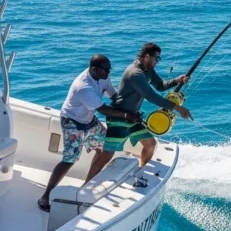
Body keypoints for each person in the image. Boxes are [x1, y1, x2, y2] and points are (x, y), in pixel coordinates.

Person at [36, 54, 142, 212]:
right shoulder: (84, 86)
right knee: (69, 160)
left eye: (109, 69)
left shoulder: (103, 76)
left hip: (88, 120)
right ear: (94, 69)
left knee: (104, 146)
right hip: (73, 122)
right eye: (105, 70)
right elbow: (103, 109)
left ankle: (87, 187)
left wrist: (127, 105)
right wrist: (127, 116)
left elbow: (112, 94)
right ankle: (45, 196)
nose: (108, 72)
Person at [102, 43, 193, 184]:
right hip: (119, 118)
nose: (157, 61)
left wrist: (177, 80)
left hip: (132, 118)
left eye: (159, 59)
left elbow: (161, 86)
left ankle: (139, 174)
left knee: (150, 144)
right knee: (106, 155)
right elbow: (151, 95)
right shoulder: (135, 73)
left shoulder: (147, 70)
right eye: (156, 58)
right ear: (147, 56)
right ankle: (86, 185)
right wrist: (177, 108)